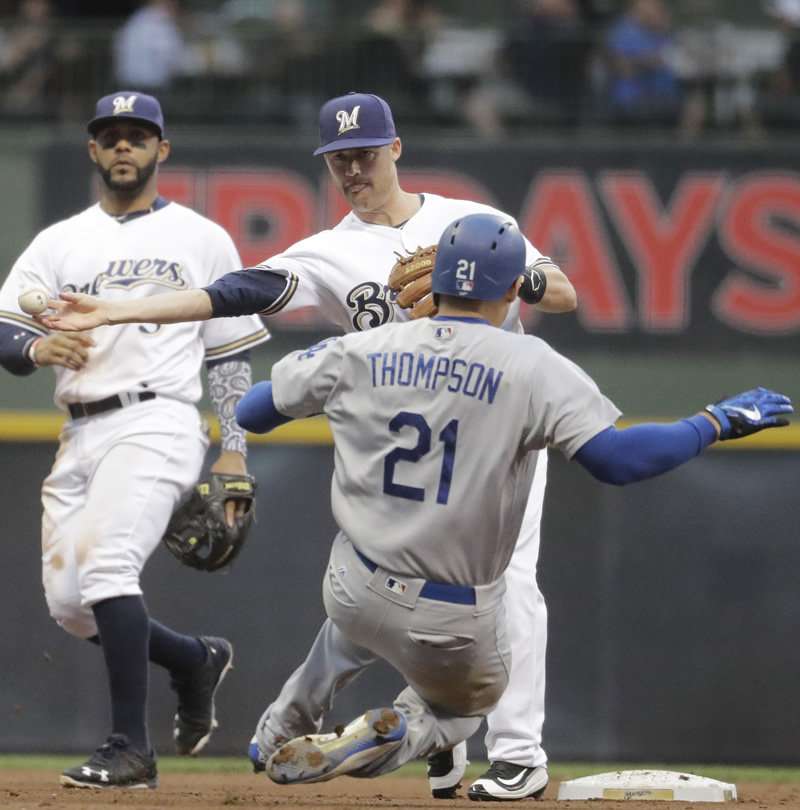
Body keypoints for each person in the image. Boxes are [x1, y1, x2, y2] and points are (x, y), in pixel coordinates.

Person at [39, 91, 577, 801]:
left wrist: (527, 276)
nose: (352, 168)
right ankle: (444, 733)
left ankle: (517, 753)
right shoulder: (329, 253)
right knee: (394, 593)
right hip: (403, 449)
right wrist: (122, 307)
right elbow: (230, 293)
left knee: (508, 582)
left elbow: (562, 292)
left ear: (395, 148)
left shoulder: (472, 223)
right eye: (337, 159)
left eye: (363, 153)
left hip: (497, 432)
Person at [233, 212, 792, 789]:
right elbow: (618, 461)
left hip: (352, 584)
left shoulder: (360, 349)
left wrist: (329, 363)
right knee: (462, 707)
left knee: (357, 620)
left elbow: (253, 412)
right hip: (447, 619)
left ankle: (280, 726)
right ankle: (405, 730)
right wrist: (713, 422)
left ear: (431, 281)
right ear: (510, 289)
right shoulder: (533, 366)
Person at [0, 90, 270, 789]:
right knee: (69, 604)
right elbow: (6, 324)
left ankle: (130, 749)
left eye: (138, 135)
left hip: (159, 418)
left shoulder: (201, 237)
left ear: (161, 151)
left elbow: (231, 353)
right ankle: (191, 659)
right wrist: (36, 350)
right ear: (94, 150)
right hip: (79, 429)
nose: (125, 146)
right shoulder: (58, 243)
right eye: (111, 135)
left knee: (109, 569)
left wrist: (234, 447)